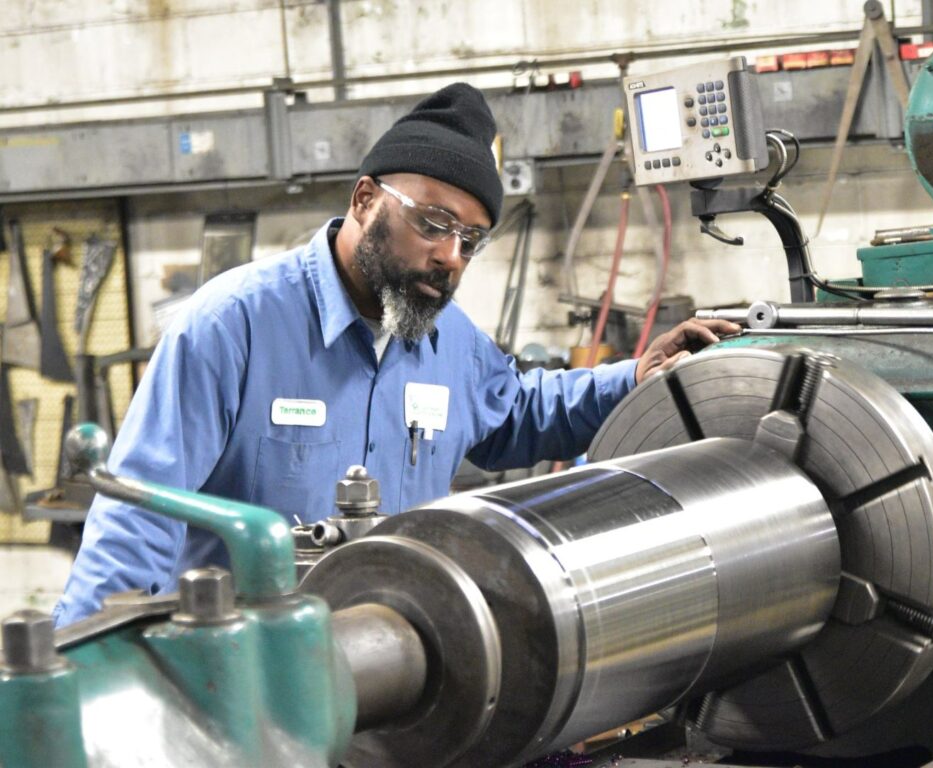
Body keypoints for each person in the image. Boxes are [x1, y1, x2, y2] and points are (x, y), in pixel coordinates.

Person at [53, 83, 738, 628]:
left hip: (403, 666)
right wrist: (87, 670)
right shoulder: (233, 327)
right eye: (433, 224)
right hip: (248, 675)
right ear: (365, 200)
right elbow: (141, 509)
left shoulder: (451, 341)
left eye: (471, 240)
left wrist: (636, 378)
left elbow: (518, 414)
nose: (450, 257)